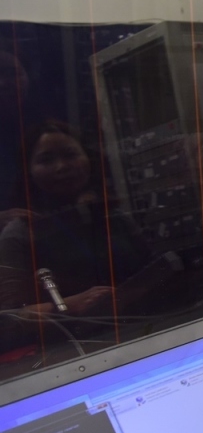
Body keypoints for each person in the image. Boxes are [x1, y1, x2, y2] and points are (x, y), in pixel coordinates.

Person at [0, 120, 153, 358]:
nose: (62, 166)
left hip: (143, 337)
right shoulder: (19, 233)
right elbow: (8, 319)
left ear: (89, 160)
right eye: (46, 160)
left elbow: (154, 273)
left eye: (70, 155)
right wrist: (69, 305)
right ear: (27, 171)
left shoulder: (114, 218)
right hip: (66, 357)